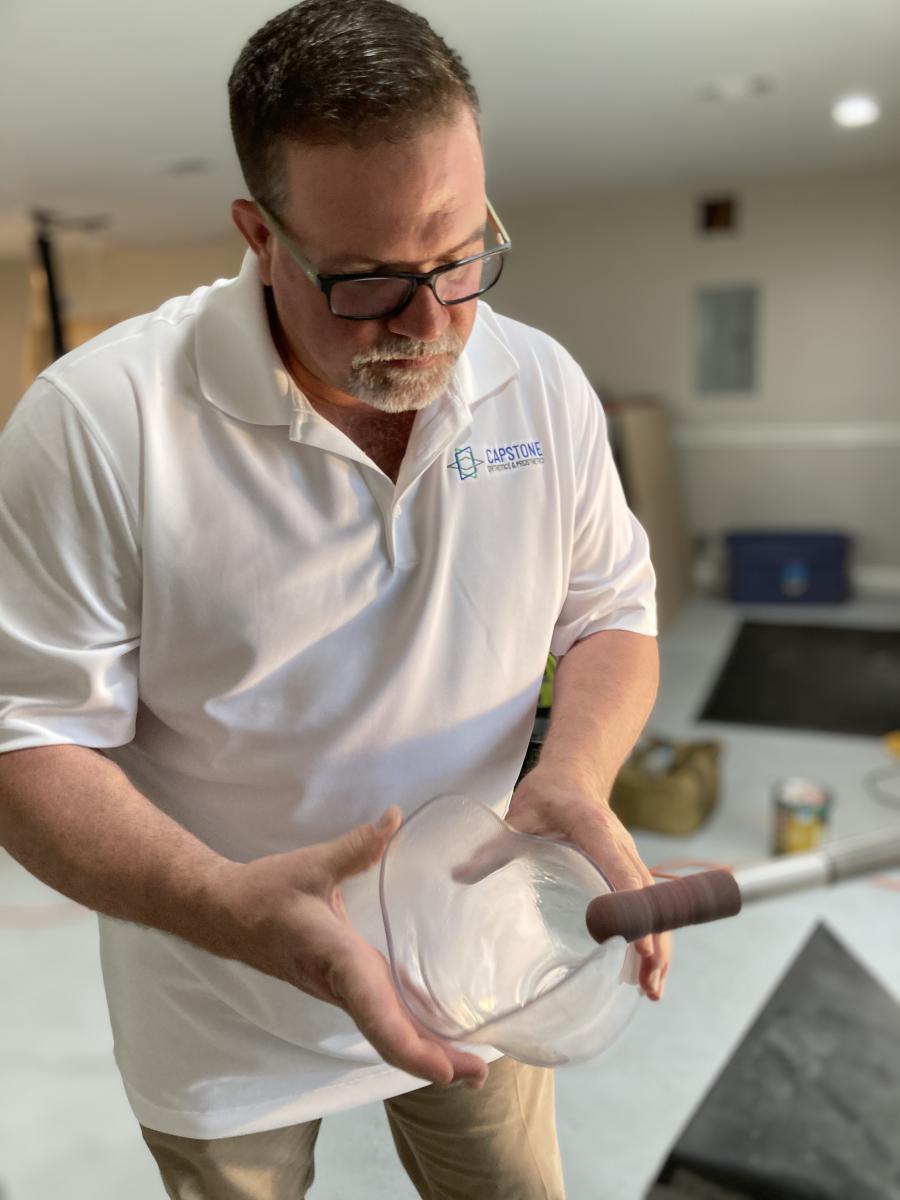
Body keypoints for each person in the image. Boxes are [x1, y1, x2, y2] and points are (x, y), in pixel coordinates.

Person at [0, 2, 669, 1196]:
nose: (434, 323)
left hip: (484, 968)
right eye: (367, 281)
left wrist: (569, 775)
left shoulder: (538, 383)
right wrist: (222, 904)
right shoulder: (102, 422)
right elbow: (30, 742)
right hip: (227, 1016)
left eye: (462, 255)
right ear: (260, 234)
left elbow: (610, 609)